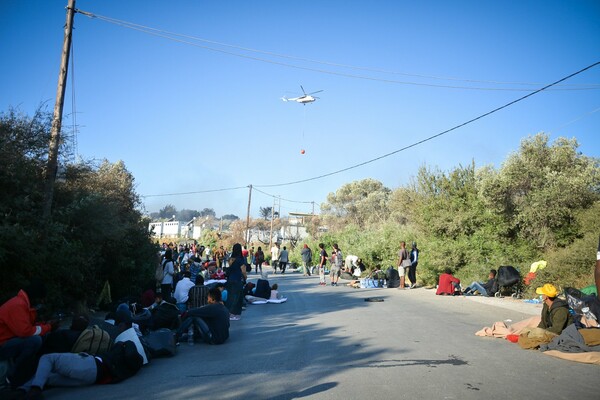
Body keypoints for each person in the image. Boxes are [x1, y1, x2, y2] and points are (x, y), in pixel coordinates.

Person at [14, 311, 142, 399]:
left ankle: (32, 390)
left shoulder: (122, 346)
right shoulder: (125, 365)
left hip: (92, 365)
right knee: (47, 377)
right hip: (94, 378)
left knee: (48, 359)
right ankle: (21, 391)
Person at [0, 280, 57, 389]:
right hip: (2, 344)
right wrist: (48, 327)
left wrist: (44, 325)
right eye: (41, 299)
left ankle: (26, 370)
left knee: (39, 337)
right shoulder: (18, 305)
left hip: (6, 341)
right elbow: (24, 331)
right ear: (35, 297)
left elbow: (28, 326)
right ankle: (13, 376)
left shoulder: (22, 303)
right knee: (34, 341)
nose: (42, 302)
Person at [225, 243, 248, 321]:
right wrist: (245, 277)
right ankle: (236, 314)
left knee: (230, 297)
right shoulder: (241, 259)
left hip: (230, 279)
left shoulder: (231, 259)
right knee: (238, 297)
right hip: (238, 280)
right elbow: (243, 270)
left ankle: (229, 313)